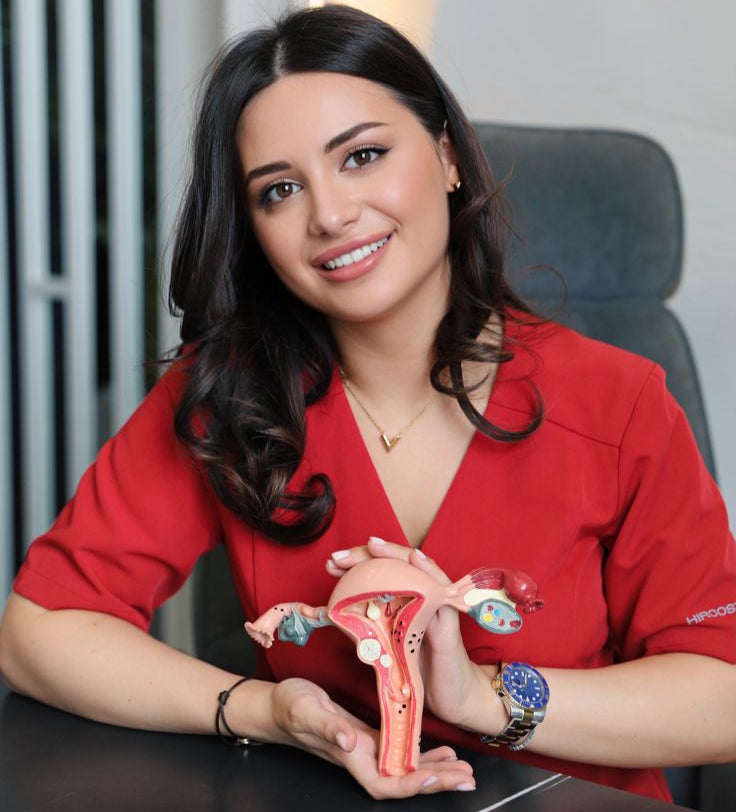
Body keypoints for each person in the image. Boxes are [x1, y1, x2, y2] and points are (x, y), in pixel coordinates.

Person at [1, 4, 735, 803]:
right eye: (280, 189)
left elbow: (722, 695)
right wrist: (262, 710)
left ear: (448, 156)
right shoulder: (230, 393)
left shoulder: (619, 402)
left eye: (363, 156)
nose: (330, 215)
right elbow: (40, 634)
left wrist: (483, 699)